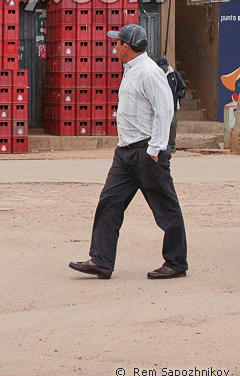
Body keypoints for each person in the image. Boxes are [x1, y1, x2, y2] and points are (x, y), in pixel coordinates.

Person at [69, 24, 187, 280]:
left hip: (146, 152)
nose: (115, 46)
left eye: (117, 42)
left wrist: (155, 150)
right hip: (125, 153)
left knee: (165, 208)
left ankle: (176, 262)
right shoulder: (131, 70)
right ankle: (101, 260)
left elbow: (165, 111)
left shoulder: (148, 73)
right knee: (109, 203)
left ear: (126, 46)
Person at [157, 57, 186, 154]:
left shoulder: (174, 74)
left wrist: (178, 96)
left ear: (168, 66)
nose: (163, 69)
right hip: (159, 105)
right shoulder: (155, 75)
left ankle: (171, 145)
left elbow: (182, 88)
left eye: (164, 67)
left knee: (172, 124)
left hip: (172, 105)